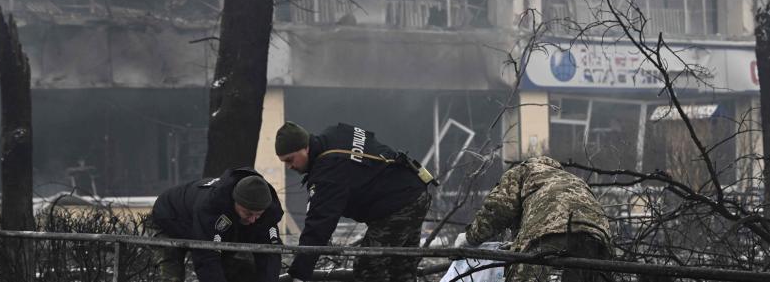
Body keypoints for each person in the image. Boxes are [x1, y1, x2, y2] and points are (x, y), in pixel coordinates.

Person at [276, 121, 433, 282]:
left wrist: (300, 274)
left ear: (305, 148)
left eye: (290, 160)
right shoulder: (335, 135)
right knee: (401, 269)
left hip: (398, 205)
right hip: (415, 190)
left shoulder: (328, 171)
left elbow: (318, 224)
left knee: (368, 268)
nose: (289, 167)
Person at [454, 156, 612, 282]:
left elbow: (498, 209)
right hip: (596, 236)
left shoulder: (524, 170)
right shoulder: (572, 179)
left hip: (551, 231)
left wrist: (469, 238)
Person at [149, 168, 284, 282]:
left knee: (243, 271)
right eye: (248, 213)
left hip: (208, 228)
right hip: (169, 219)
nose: (253, 220)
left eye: (258, 215)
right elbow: (206, 256)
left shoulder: (267, 214)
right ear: (234, 202)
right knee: (170, 276)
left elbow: (270, 253)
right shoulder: (211, 207)